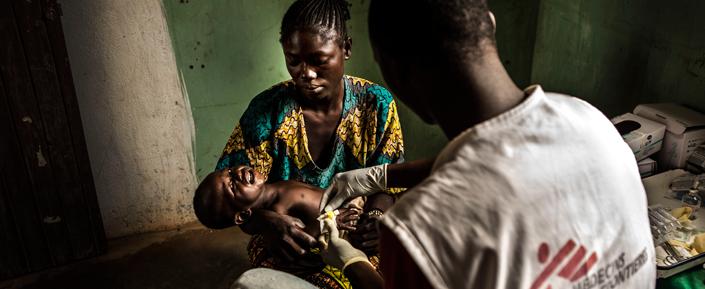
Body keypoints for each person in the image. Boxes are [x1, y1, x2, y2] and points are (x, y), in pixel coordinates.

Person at [318, 0, 657, 288]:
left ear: (394, 73)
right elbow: (496, 151)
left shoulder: (419, 228)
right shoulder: (592, 122)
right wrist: (381, 175)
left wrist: (351, 261)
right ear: (490, 26)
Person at [214, 0, 403, 287]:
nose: (306, 73)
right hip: (289, 240)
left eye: (319, 60)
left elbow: (388, 181)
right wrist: (268, 224)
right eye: (294, 60)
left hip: (357, 231)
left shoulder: (376, 104)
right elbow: (229, 202)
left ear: (346, 49)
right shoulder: (267, 112)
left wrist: (376, 218)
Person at [193, 165, 379, 282]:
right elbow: (305, 236)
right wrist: (333, 220)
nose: (238, 173)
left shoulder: (274, 189)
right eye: (232, 186)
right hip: (339, 227)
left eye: (230, 171)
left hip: (347, 205)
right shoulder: (279, 213)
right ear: (242, 215)